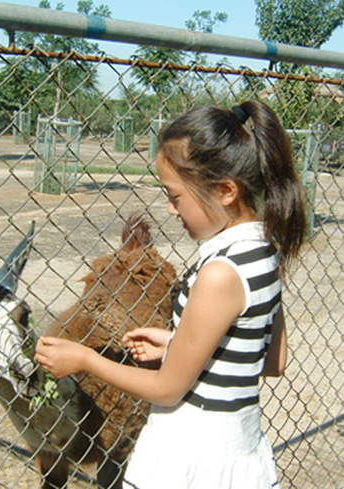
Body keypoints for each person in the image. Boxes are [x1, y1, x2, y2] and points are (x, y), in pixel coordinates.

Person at [34, 100, 307, 489]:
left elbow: (167, 388)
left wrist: (85, 359)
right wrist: (179, 345)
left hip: (190, 457)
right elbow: (271, 359)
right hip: (239, 455)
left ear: (226, 190)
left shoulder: (219, 272)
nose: (170, 207)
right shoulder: (266, 252)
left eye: (175, 196)